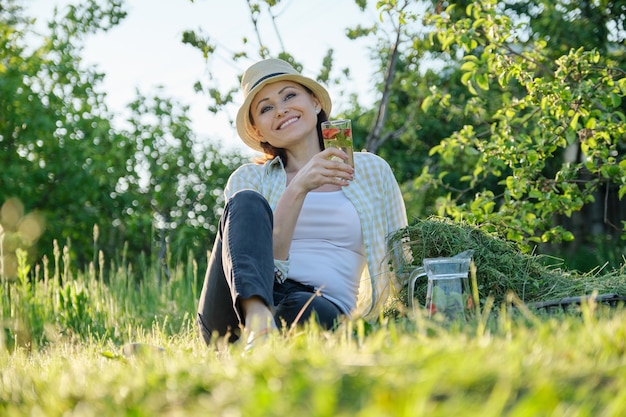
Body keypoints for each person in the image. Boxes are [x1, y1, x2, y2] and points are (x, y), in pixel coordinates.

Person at [197, 58, 409, 346]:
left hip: (317, 306)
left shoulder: (371, 170)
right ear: (258, 130)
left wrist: (418, 314)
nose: (281, 109)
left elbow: (401, 256)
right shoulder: (250, 179)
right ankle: (258, 329)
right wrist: (298, 187)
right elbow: (265, 267)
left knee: (303, 310)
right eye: (266, 108)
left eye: (289, 95)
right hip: (235, 315)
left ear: (315, 102)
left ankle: (263, 341)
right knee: (246, 202)